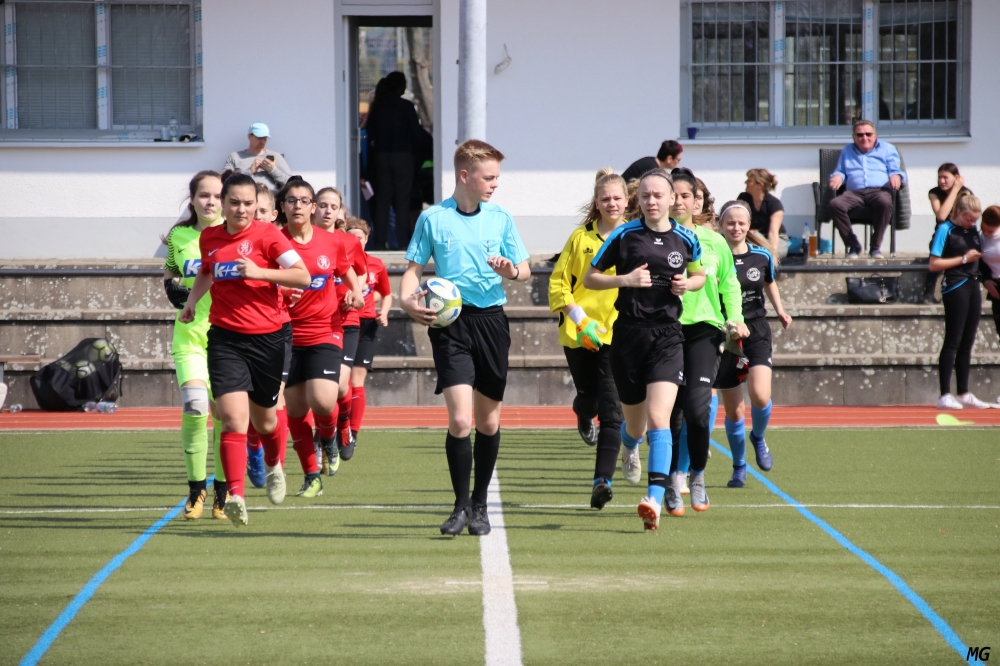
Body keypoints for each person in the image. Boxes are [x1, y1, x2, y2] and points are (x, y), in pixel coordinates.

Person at [399, 139, 531, 536]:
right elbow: (412, 270)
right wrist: (406, 301)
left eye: (496, 177)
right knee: (460, 419)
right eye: (488, 177)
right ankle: (459, 507)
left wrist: (511, 271)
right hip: (450, 325)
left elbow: (524, 269)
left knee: (487, 422)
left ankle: (480, 505)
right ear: (464, 175)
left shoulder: (500, 218)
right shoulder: (433, 218)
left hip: (491, 322)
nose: (495, 184)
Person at [179, 173, 311, 527]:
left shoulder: (269, 235)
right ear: (223, 203)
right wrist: (192, 301)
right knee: (231, 417)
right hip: (225, 339)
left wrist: (260, 273)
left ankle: (274, 464)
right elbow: (207, 272)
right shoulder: (210, 238)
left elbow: (302, 276)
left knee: (266, 421)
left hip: (269, 339)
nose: (242, 210)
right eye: (234, 203)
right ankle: (235, 495)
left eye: (249, 204)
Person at [584, 169, 707, 532]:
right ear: (638, 200)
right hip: (628, 337)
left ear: (673, 199)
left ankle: (653, 499)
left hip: (668, 337)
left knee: (659, 419)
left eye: (658, 195)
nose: (652, 201)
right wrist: (624, 279)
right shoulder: (624, 234)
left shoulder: (686, 238)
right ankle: (629, 445)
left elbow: (700, 276)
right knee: (635, 426)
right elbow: (590, 277)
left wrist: (688, 284)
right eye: (646, 196)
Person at [665, 171, 747, 517]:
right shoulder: (649, 239)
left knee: (697, 412)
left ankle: (696, 474)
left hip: (704, 330)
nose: (679, 201)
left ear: (695, 201)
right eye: (674, 194)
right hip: (663, 331)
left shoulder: (713, 241)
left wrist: (736, 318)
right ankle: (671, 480)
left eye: (686, 195)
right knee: (669, 415)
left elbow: (730, 284)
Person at [548, 168, 628, 510]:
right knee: (590, 398)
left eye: (617, 198)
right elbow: (558, 284)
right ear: (596, 202)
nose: (612, 204)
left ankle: (602, 481)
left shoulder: (636, 237)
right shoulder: (580, 238)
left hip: (619, 335)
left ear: (628, 201)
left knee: (612, 411)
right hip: (579, 333)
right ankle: (582, 410)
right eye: (605, 199)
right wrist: (580, 319)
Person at [277, 179, 361, 499]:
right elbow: (261, 281)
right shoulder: (274, 242)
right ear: (283, 207)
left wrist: (354, 291)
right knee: (296, 412)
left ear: (312, 207)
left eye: (304, 201)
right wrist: (282, 290)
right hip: (286, 334)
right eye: (291, 200)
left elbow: (346, 269)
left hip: (325, 330)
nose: (297, 206)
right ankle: (311, 476)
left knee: (324, 400)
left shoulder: (330, 241)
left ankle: (329, 438)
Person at [162, 170, 228, 521]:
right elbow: (171, 271)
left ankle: (223, 492)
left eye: (217, 196)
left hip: (228, 339)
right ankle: (196, 489)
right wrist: (170, 287)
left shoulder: (235, 237)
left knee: (225, 416)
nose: (211, 201)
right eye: (204, 195)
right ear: (193, 200)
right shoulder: (179, 236)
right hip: (189, 336)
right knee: (195, 407)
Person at [715, 201, 793, 487]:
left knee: (760, 395)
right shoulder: (714, 256)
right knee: (734, 411)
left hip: (756, 330)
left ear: (748, 226)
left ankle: (758, 436)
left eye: (741, 223)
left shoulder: (761, 255)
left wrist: (780, 310)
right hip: (725, 335)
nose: (736, 227)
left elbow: (769, 282)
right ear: (720, 225)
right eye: (730, 223)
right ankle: (739, 467)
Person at [930, 194, 991, 410]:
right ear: (958, 213)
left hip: (973, 285)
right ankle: (944, 394)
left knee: (968, 341)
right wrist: (964, 259)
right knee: (953, 340)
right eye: (968, 219)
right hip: (956, 285)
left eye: (975, 219)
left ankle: (963, 392)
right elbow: (934, 264)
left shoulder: (973, 230)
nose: (972, 223)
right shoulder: (945, 229)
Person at [345, 217, 393, 444]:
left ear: (366, 239)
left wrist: (384, 312)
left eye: (359, 237)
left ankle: (352, 432)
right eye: (351, 237)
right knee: (340, 383)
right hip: (343, 323)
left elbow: (386, 293)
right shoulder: (340, 263)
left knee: (357, 380)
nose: (355, 241)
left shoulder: (376, 264)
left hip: (367, 325)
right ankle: (336, 426)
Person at [828, 120, 905, 259]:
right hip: (854, 193)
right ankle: (854, 245)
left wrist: (896, 176)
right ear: (854, 137)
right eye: (860, 135)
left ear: (875, 135)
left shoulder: (887, 149)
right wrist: (838, 176)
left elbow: (895, 170)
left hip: (879, 191)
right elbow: (841, 171)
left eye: (868, 134)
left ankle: (875, 248)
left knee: (885, 203)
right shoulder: (847, 150)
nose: (864, 138)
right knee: (835, 204)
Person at [366, 72, 424, 250]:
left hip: (381, 156)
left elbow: (370, 132)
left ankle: (379, 243)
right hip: (403, 156)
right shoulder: (406, 106)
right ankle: (402, 243)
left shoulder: (378, 106)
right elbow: (416, 134)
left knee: (382, 201)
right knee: (403, 201)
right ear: (399, 86)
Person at [922, 164, 974, 303]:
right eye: (939, 177)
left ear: (956, 178)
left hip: (961, 235)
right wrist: (954, 190)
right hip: (942, 235)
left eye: (945, 177)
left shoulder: (965, 193)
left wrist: (957, 189)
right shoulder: (934, 193)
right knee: (937, 250)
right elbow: (942, 216)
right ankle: (928, 292)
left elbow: (966, 218)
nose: (942, 181)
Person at [223, 123, 293, 192]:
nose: (262, 142)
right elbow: (224, 181)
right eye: (259, 138)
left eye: (265, 138)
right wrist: (249, 171)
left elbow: (292, 183)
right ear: (249, 136)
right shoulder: (235, 156)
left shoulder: (275, 156)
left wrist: (273, 170)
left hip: (270, 196)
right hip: (244, 196)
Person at [738, 168, 788, 259]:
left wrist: (773, 257)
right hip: (752, 237)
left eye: (749, 180)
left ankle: (765, 255)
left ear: (760, 185)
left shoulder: (774, 204)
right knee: (751, 237)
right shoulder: (743, 199)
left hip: (776, 240)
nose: (745, 182)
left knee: (755, 239)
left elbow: (773, 233)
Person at [980, 207, 1000, 404]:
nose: (986, 233)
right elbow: (980, 264)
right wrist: (986, 280)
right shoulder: (980, 237)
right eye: (984, 228)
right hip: (995, 287)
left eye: (990, 231)